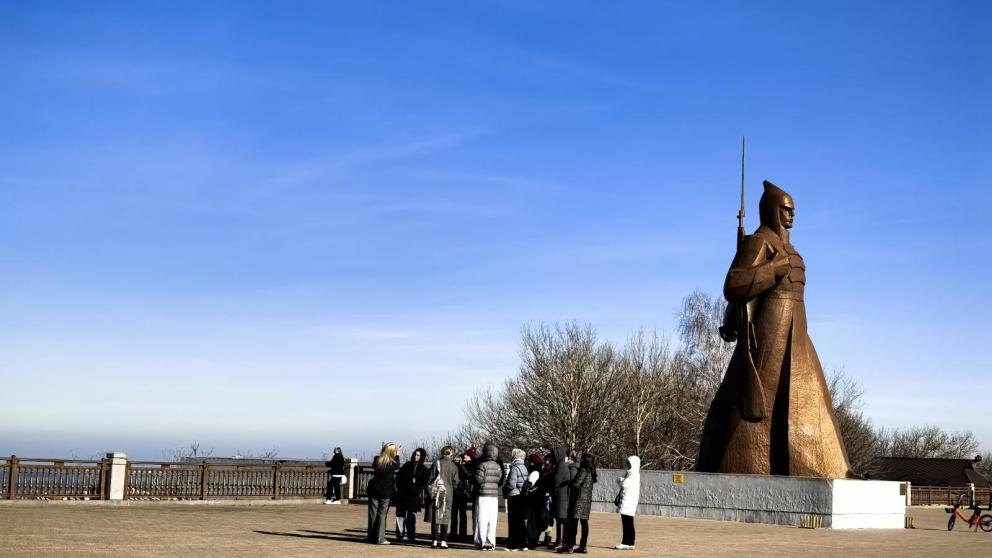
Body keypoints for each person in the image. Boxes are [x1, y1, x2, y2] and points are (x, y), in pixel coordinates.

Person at [696, 181, 853, 478]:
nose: (791, 215)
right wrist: (774, 270)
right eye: (785, 209)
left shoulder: (786, 246)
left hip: (798, 327)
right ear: (771, 210)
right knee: (758, 401)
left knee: (813, 395)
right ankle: (730, 459)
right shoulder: (759, 242)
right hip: (771, 328)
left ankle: (834, 468)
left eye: (793, 210)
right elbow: (734, 285)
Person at [560, 453, 596, 554]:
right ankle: (583, 546)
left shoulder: (583, 471)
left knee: (573, 524)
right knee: (584, 524)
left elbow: (576, 484)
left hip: (578, 500)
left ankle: (570, 546)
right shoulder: (592, 472)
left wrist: (568, 482)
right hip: (586, 501)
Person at [367, 442, 401, 545]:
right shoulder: (393, 463)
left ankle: (371, 537)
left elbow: (375, 466)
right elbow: (397, 466)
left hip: (374, 490)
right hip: (385, 492)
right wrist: (398, 454)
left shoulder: (377, 459)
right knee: (382, 515)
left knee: (372, 514)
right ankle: (380, 538)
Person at [473, 443, 504, 550]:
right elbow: (499, 480)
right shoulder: (498, 467)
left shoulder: (482, 465)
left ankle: (482, 542)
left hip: (483, 495)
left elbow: (478, 480)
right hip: (494, 496)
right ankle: (491, 542)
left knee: (482, 519)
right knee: (492, 520)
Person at [394, 447, 428, 543]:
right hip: (403, 495)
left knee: (411, 517)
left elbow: (424, 483)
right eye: (414, 454)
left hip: (413, 496)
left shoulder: (423, 469)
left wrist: (417, 490)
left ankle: (411, 536)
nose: (415, 457)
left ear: (421, 457)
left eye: (418, 455)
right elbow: (398, 477)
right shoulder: (407, 465)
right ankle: (400, 535)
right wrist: (400, 488)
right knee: (400, 516)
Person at [429, 446, 460, 549]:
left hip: (437, 492)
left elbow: (430, 478)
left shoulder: (436, 463)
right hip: (448, 493)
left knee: (436, 516)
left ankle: (434, 540)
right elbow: (456, 482)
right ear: (451, 453)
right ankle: (443, 540)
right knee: (445, 516)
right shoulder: (454, 466)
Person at [503, 448, 529, 551]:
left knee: (513, 522)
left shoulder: (514, 468)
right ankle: (523, 543)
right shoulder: (524, 467)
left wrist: (505, 490)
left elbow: (511, 484)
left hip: (514, 496)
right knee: (521, 521)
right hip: (522, 496)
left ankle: (513, 544)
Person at [614, 456, 640, 551]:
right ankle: (629, 543)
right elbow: (622, 482)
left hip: (629, 501)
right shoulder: (629, 473)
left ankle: (626, 542)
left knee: (627, 522)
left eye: (629, 463)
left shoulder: (633, 474)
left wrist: (621, 480)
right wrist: (621, 480)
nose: (627, 465)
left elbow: (624, 484)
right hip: (627, 500)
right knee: (627, 522)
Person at [524, 453, 549, 550]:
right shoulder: (540, 471)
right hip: (539, 499)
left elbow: (529, 486)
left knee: (532, 522)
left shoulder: (534, 472)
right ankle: (533, 540)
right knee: (536, 521)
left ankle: (532, 542)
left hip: (533, 500)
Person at [550, 447, 574, 550]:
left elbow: (556, 481)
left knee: (561, 519)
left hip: (561, 497)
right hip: (561, 497)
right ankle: (559, 540)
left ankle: (562, 541)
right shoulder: (561, 465)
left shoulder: (561, 466)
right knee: (559, 519)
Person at [451, 448, 477, 542]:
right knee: (453, 514)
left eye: (467, 455)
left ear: (471, 456)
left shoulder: (473, 464)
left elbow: (468, 475)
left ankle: (463, 535)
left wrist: (461, 465)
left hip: (464, 492)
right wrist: (455, 463)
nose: (464, 456)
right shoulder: (461, 463)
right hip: (456, 490)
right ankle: (453, 534)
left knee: (462, 514)